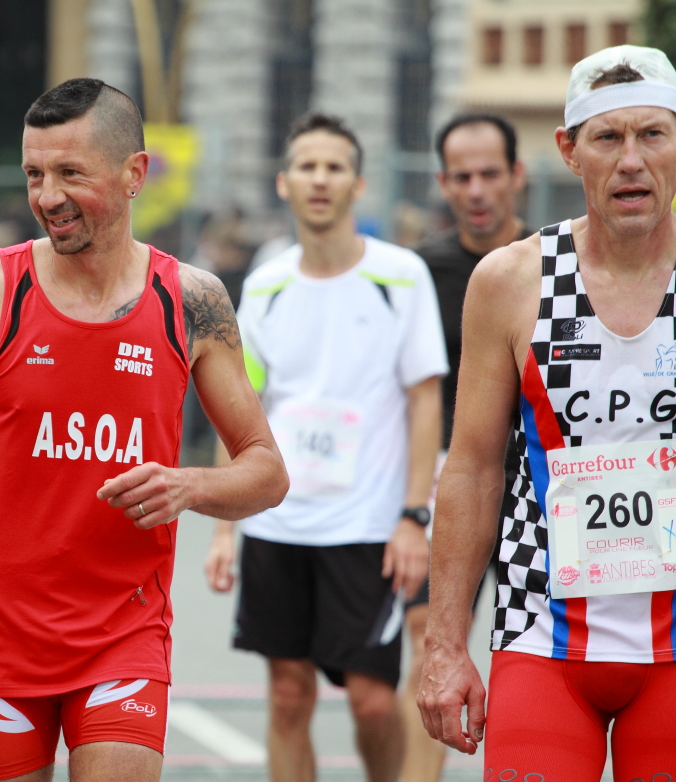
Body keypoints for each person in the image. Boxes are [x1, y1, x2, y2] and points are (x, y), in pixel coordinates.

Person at [0, 77, 288, 782]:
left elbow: (266, 470)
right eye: (34, 173)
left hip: (124, 637)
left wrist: (189, 484)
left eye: (70, 173)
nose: (47, 196)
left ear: (135, 174)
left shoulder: (191, 300)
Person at [418, 44, 676, 778]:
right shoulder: (511, 280)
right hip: (544, 634)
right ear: (569, 150)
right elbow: (470, 467)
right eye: (608, 137)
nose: (632, 160)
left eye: (652, 134)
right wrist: (443, 644)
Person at [205, 113, 446, 782]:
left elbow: (425, 400)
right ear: (284, 183)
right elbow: (241, 408)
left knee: (371, 701)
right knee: (287, 693)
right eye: (307, 166)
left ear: (358, 184)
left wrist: (413, 515)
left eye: (335, 166)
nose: (320, 178)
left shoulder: (401, 275)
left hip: (369, 526)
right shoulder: (264, 282)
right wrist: (227, 526)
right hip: (278, 520)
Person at [402, 113, 530, 782]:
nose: (477, 189)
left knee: (537, 653)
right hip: (453, 487)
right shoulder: (420, 272)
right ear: (444, 184)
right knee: (432, 641)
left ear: (518, 175)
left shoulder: (554, 265)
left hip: (548, 495)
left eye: (490, 173)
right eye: (462, 176)